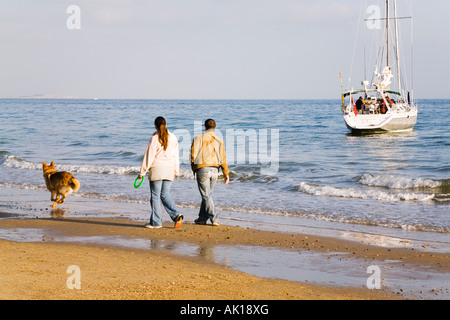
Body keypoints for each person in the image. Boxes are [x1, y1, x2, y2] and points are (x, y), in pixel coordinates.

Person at [138, 116, 183, 229]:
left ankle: (156, 222)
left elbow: (149, 156)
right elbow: (176, 155)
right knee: (165, 194)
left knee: (155, 196)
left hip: (157, 169)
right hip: (169, 169)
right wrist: (176, 170)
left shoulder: (154, 138)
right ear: (166, 124)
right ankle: (176, 214)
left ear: (155, 126)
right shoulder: (173, 137)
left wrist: (142, 172)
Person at [190, 119, 229, 226]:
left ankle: (215, 218)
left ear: (205, 127)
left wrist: (194, 169)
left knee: (206, 196)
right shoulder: (220, 141)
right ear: (215, 128)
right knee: (207, 195)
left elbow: (193, 156)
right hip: (215, 170)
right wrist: (226, 173)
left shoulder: (198, 138)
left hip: (203, 169)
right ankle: (202, 219)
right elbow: (223, 159)